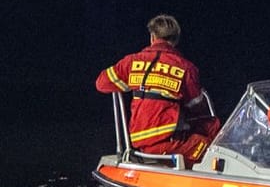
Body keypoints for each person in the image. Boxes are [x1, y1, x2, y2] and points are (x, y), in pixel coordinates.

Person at [94, 14, 222, 166]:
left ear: (152, 37)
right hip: (167, 143)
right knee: (212, 130)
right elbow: (196, 106)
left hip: (139, 142)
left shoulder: (132, 61)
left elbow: (102, 83)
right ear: (176, 40)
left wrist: (136, 83)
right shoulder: (185, 68)